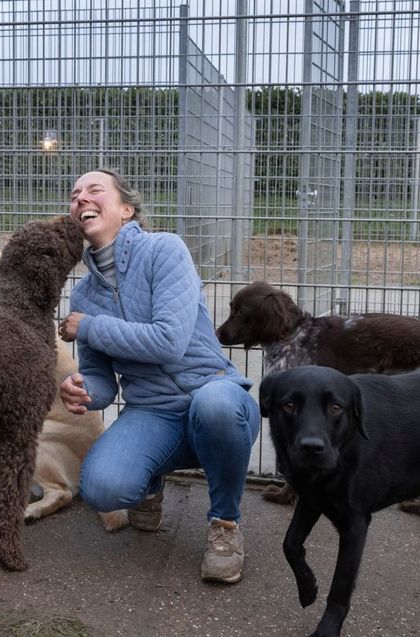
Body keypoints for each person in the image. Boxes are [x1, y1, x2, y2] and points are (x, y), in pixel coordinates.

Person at [58, 168, 261, 584]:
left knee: (215, 408)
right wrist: (82, 390)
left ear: (128, 210)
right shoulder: (83, 296)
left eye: (95, 190)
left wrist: (90, 327)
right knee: (102, 489)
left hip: (214, 390)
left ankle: (225, 525)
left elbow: (168, 341)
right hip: (152, 411)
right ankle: (150, 480)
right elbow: (101, 381)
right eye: (75, 194)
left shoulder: (165, 250)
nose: (81, 198)